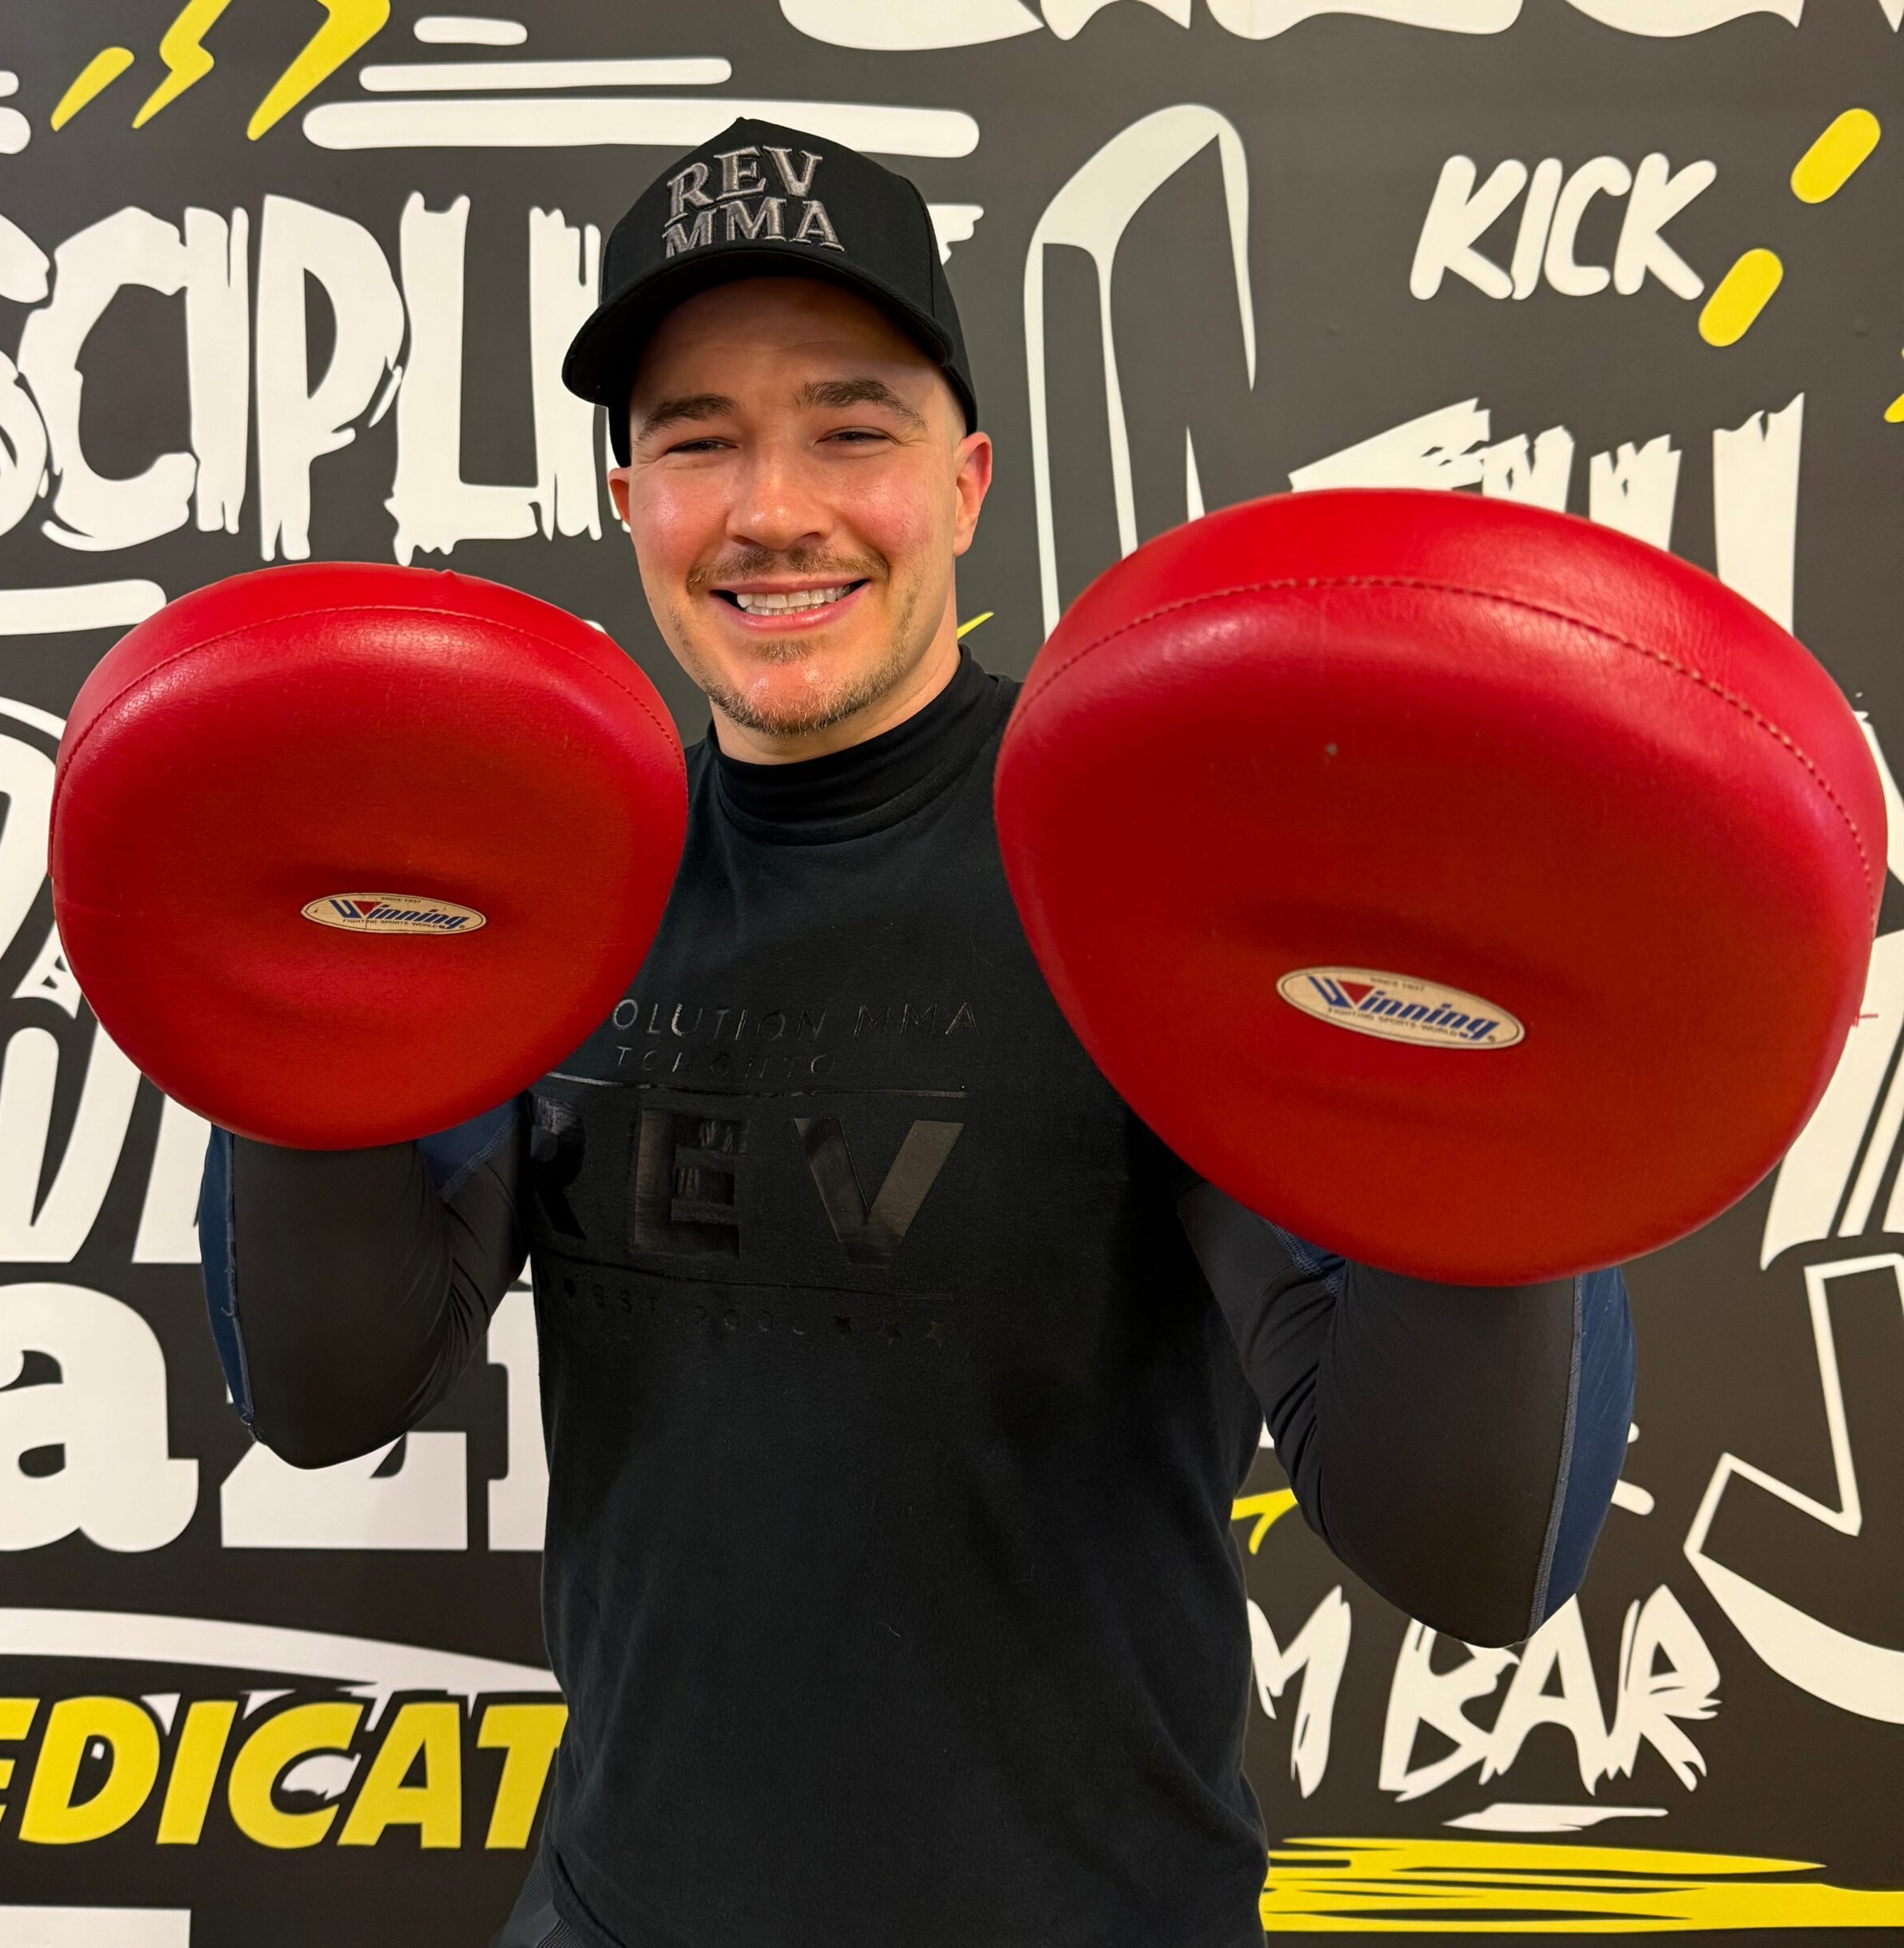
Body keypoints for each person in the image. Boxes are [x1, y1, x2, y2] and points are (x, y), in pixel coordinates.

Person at [197, 119, 1634, 1948]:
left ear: (963, 484)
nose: (768, 506)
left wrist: (1516, 1084)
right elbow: (333, 1400)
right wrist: (261, 1002)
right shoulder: (554, 877)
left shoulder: (1135, 876)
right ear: (624, 499)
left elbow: (1463, 1547)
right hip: (617, 1910)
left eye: (846, 429)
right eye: (693, 440)